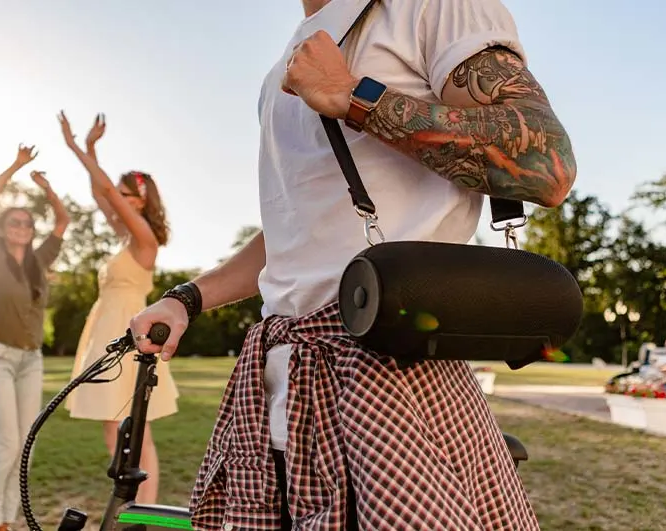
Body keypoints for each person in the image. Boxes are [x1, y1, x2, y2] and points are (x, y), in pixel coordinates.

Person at [129, 0, 577, 529]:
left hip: (394, 385)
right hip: (278, 396)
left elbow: (545, 161)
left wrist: (354, 97)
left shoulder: (429, 6)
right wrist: (186, 299)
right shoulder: (288, 61)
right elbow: (293, 232)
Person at [58, 111, 179, 505]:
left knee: (136, 429)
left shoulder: (145, 240)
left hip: (131, 335)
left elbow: (106, 191)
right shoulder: (126, 237)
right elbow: (101, 194)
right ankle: (128, 504)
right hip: (106, 330)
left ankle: (143, 509)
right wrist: (90, 148)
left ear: (140, 200)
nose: (118, 201)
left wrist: (76, 147)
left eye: (126, 196)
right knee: (113, 427)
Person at [0, 144, 69, 531]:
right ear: (1, 228)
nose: (22, 227)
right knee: (6, 446)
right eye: (14, 222)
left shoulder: (38, 262)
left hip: (30, 361)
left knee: (25, 447)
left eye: (27, 223)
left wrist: (46, 188)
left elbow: (62, 220)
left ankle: (6, 523)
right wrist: (16, 165)